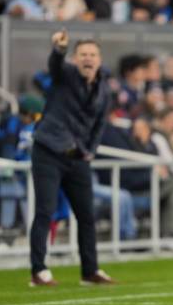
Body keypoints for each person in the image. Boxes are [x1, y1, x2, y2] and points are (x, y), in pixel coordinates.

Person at [29, 29, 114, 286]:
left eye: (92, 54)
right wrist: (59, 49)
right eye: (83, 54)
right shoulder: (64, 74)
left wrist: (89, 151)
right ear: (75, 59)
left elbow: (99, 125)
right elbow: (54, 64)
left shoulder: (104, 89)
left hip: (77, 156)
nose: (88, 59)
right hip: (48, 151)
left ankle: (90, 271)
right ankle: (39, 271)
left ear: (99, 59)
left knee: (87, 215)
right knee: (45, 211)